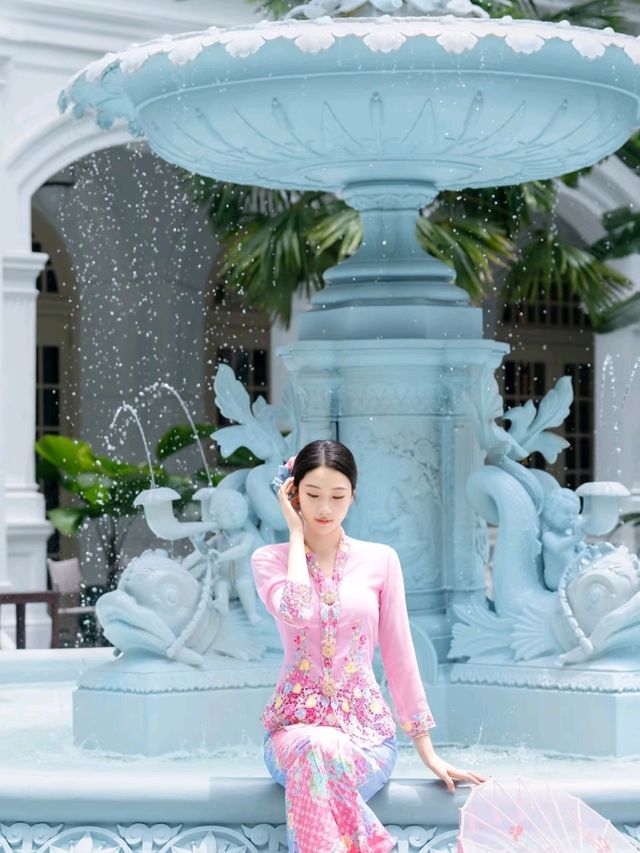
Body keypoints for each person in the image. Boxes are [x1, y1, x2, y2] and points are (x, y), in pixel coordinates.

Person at [251, 439, 486, 852]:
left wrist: (426, 750)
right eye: (312, 495)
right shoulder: (269, 561)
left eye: (338, 496)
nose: (325, 508)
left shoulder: (381, 561)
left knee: (322, 756)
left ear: (353, 497)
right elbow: (296, 610)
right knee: (315, 749)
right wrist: (293, 534)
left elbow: (399, 652)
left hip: (366, 738)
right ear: (292, 495)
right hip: (293, 735)